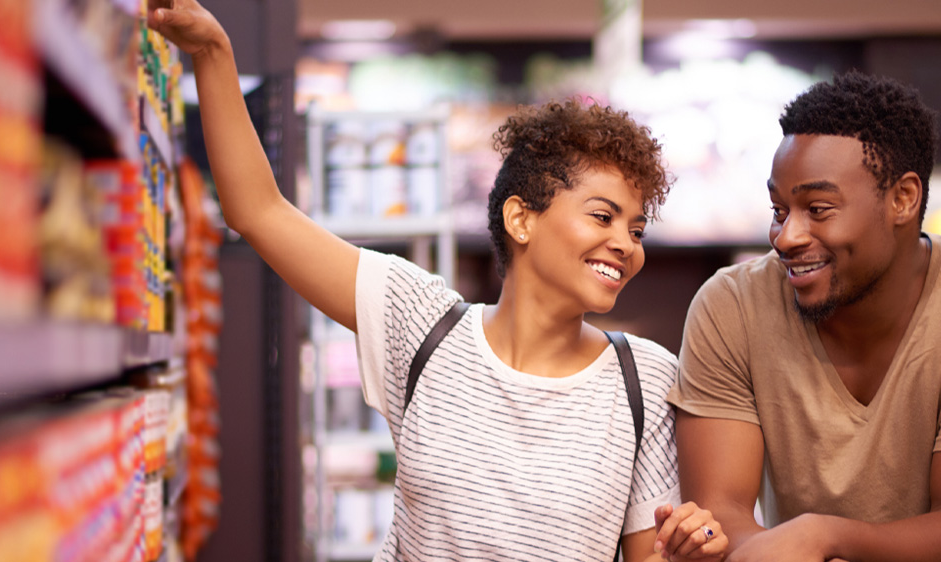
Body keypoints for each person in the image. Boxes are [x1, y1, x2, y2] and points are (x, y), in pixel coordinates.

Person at [145, 1, 728, 560]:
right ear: (521, 218)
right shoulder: (423, 325)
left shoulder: (644, 381)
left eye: (638, 229)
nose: (626, 244)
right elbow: (258, 211)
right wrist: (215, 53)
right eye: (603, 217)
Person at [665, 72, 941, 562]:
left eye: (818, 209)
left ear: (902, 199)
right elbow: (718, 518)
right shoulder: (730, 307)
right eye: (779, 209)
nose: (785, 236)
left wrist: (823, 538)